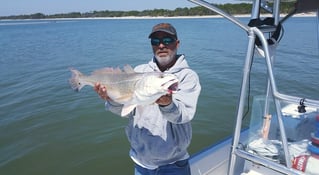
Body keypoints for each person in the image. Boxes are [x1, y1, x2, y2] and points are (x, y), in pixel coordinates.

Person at [94, 23, 201, 175]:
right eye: (155, 42)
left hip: (173, 164)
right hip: (141, 162)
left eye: (167, 40)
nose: (161, 45)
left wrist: (167, 104)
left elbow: (184, 115)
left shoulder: (187, 77)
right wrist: (111, 100)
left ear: (177, 43)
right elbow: (127, 111)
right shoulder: (139, 71)